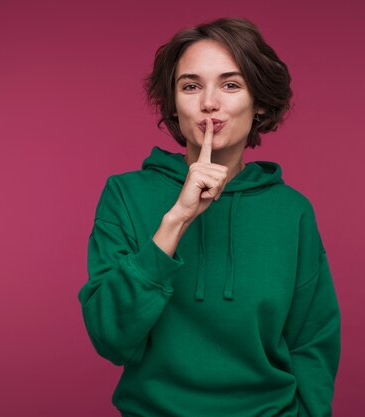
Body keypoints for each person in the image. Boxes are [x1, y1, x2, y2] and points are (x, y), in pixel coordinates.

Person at [78, 17, 341, 417]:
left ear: (261, 103)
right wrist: (176, 220)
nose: (208, 103)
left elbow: (312, 342)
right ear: (173, 104)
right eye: (191, 86)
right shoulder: (126, 195)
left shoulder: (292, 211)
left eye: (230, 85)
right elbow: (111, 338)